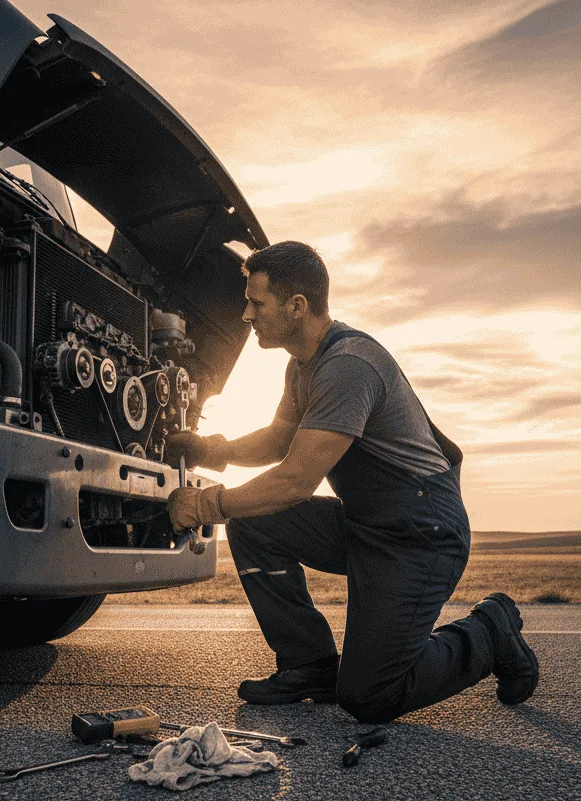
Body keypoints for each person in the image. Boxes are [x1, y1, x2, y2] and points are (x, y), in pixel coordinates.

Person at [165, 241, 539, 723]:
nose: (245, 314)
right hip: (369, 525)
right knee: (256, 525)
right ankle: (309, 665)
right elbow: (280, 441)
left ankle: (490, 630)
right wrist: (212, 450)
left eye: (256, 303)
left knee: (371, 696)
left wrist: (205, 504)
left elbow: (296, 479)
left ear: (297, 306)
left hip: (419, 536)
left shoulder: (347, 366)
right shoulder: (303, 367)